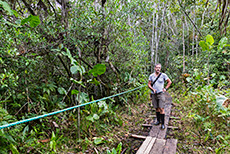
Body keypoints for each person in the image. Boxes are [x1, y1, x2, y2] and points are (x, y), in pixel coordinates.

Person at [148, 63, 172, 129]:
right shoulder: (151, 76)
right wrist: (152, 89)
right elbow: (149, 84)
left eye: (159, 68)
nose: (158, 69)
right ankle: (158, 121)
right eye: (157, 67)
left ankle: (163, 124)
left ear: (160, 68)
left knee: (161, 108)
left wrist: (165, 88)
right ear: (155, 68)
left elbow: (169, 82)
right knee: (156, 108)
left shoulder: (163, 75)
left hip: (161, 93)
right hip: (154, 94)